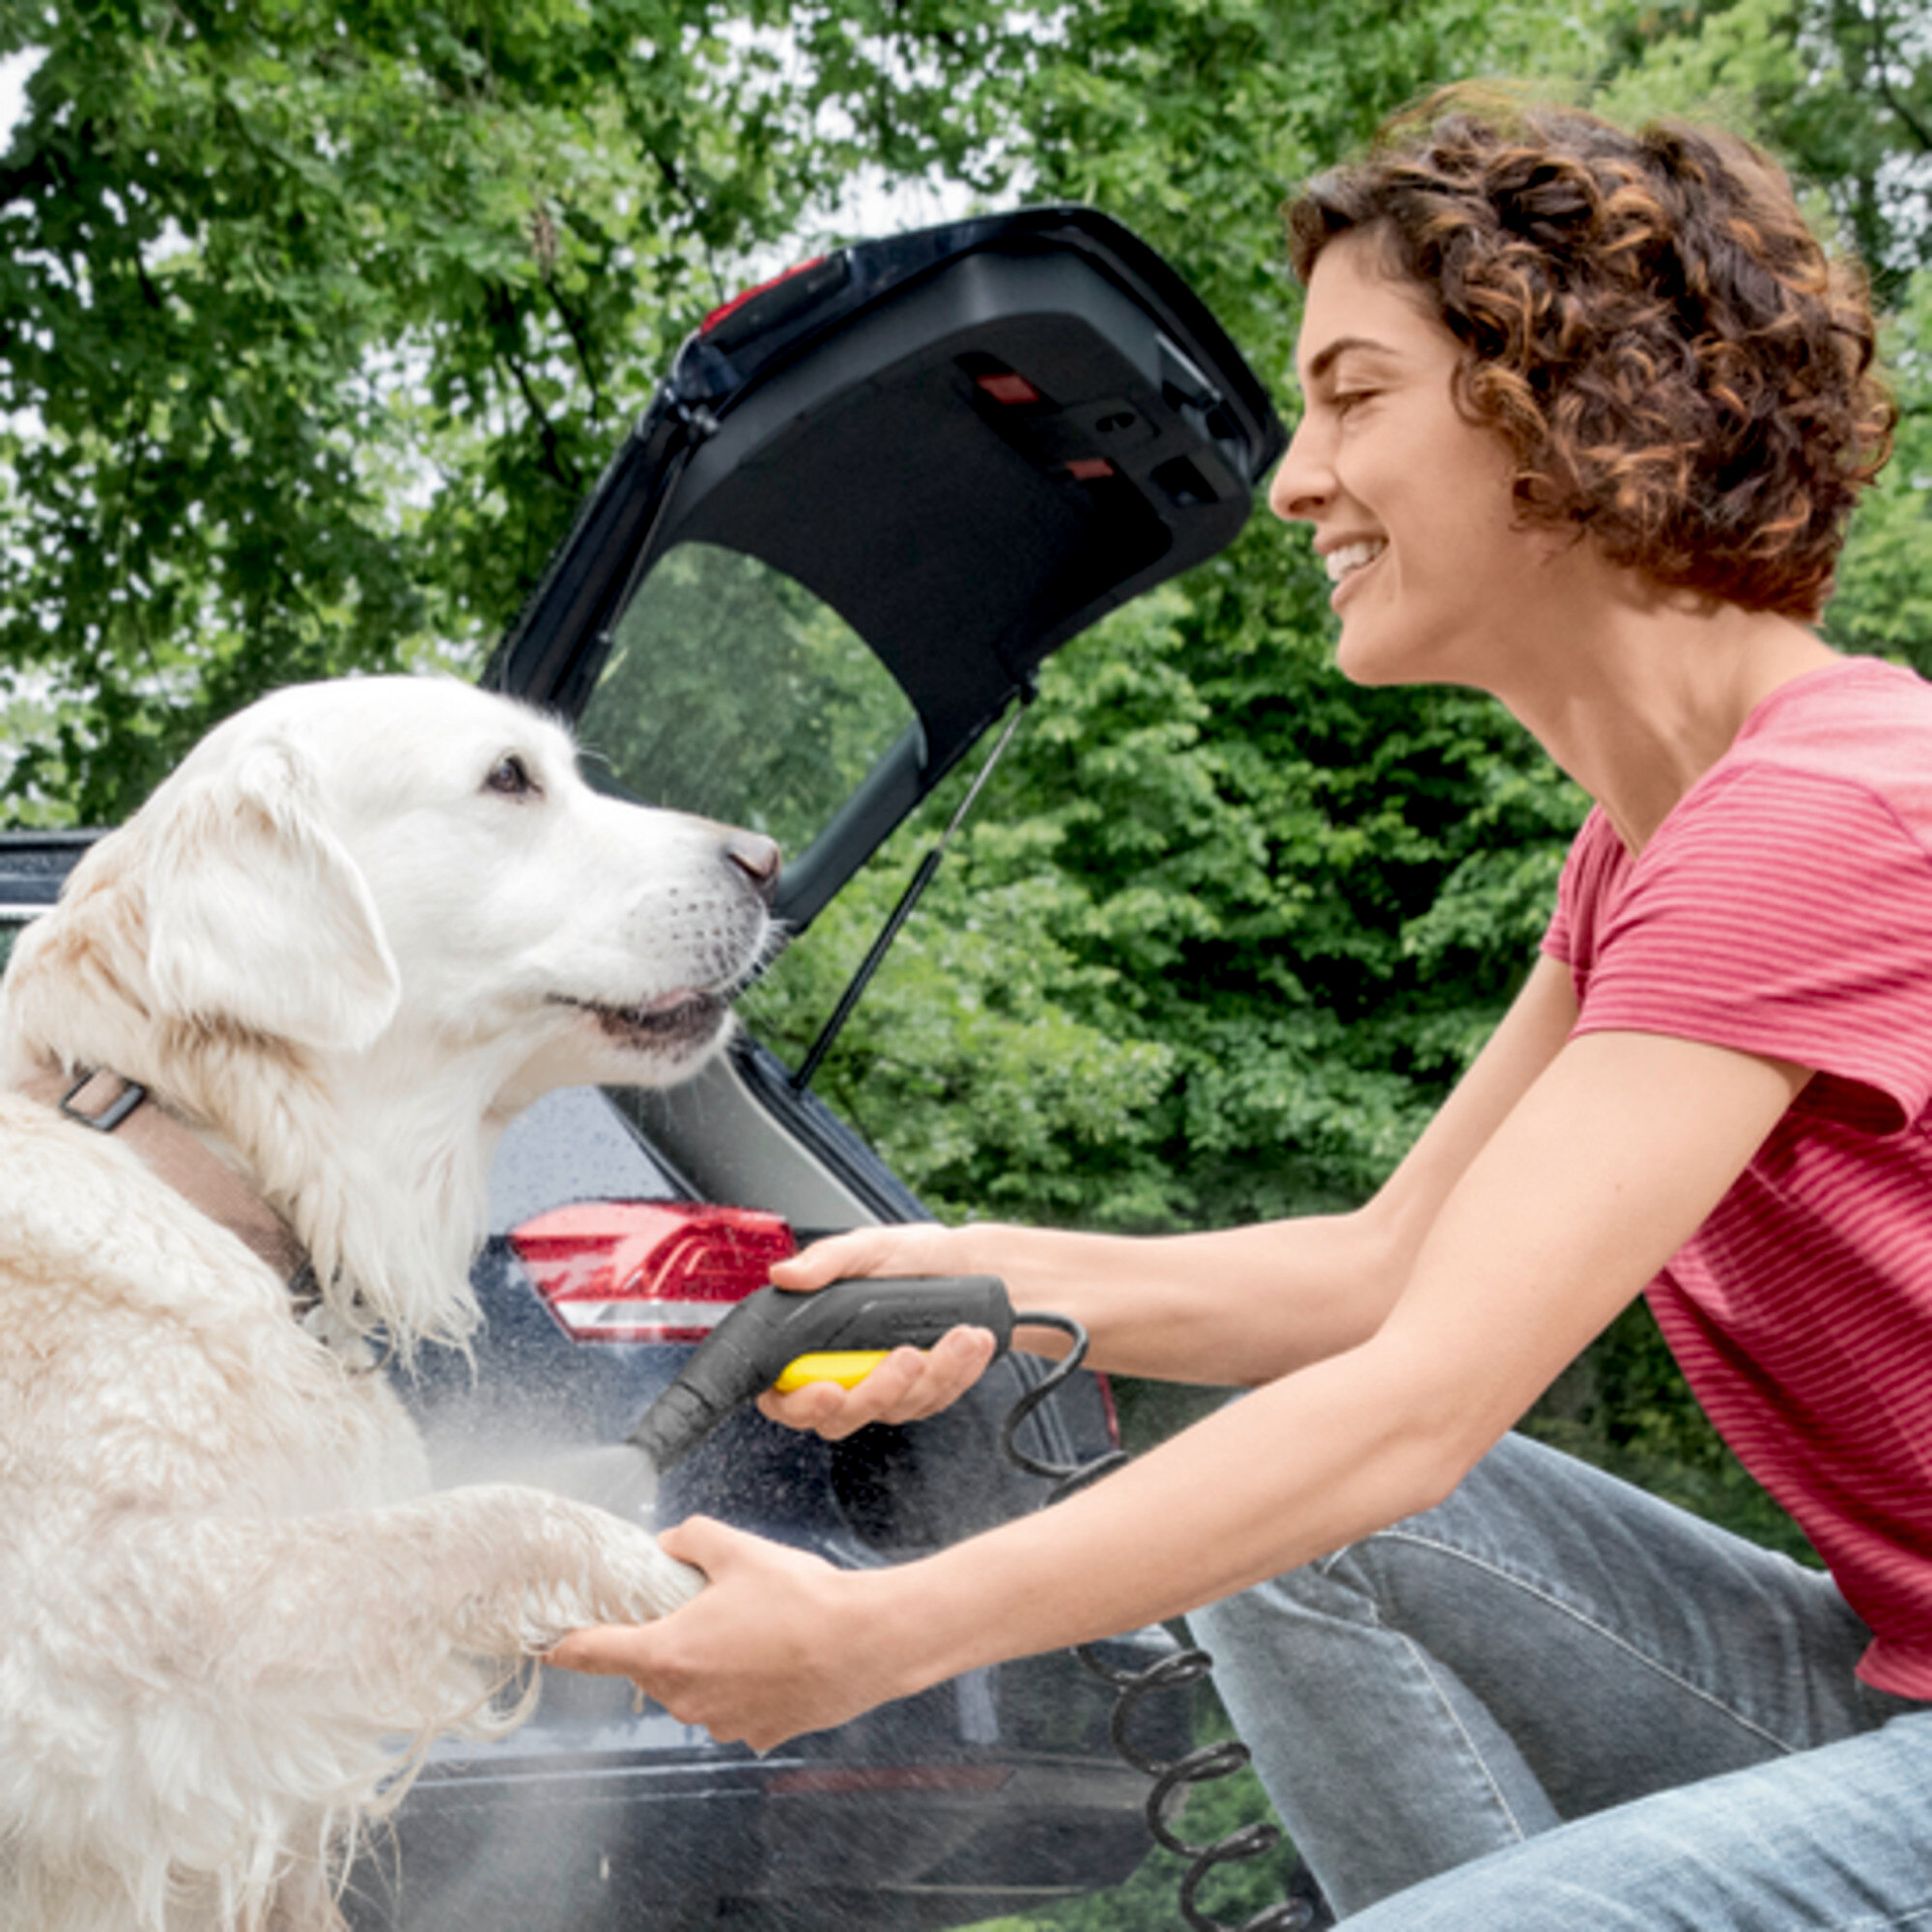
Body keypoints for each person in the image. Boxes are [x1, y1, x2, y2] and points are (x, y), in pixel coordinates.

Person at [549, 91, 1932, 1928]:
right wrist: (971, 1270)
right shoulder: (1650, 850)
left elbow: (1415, 1398)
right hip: (1885, 1691)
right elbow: (1381, 1278)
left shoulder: (1821, 820)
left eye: (1356, 397)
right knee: (1320, 1541)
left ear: (1576, 402)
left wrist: (873, 1638)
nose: (1293, 481)